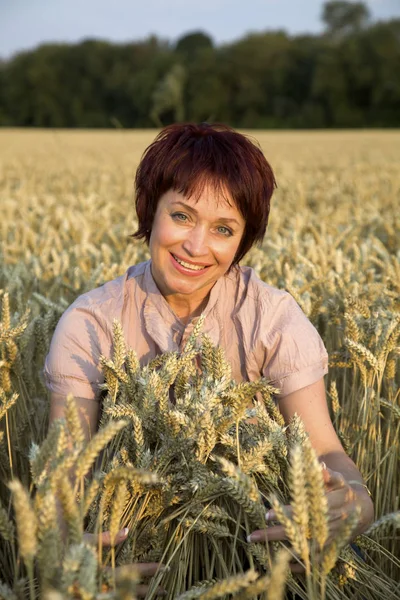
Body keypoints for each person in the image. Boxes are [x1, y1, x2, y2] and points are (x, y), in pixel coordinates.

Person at [45, 122, 374, 571]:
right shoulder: (90, 324)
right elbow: (64, 478)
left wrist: (354, 503)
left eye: (223, 228)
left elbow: (326, 451)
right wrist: (71, 556)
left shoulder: (272, 318)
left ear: (244, 240)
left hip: (259, 554)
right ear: (149, 210)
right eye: (181, 216)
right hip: (138, 559)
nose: (197, 246)